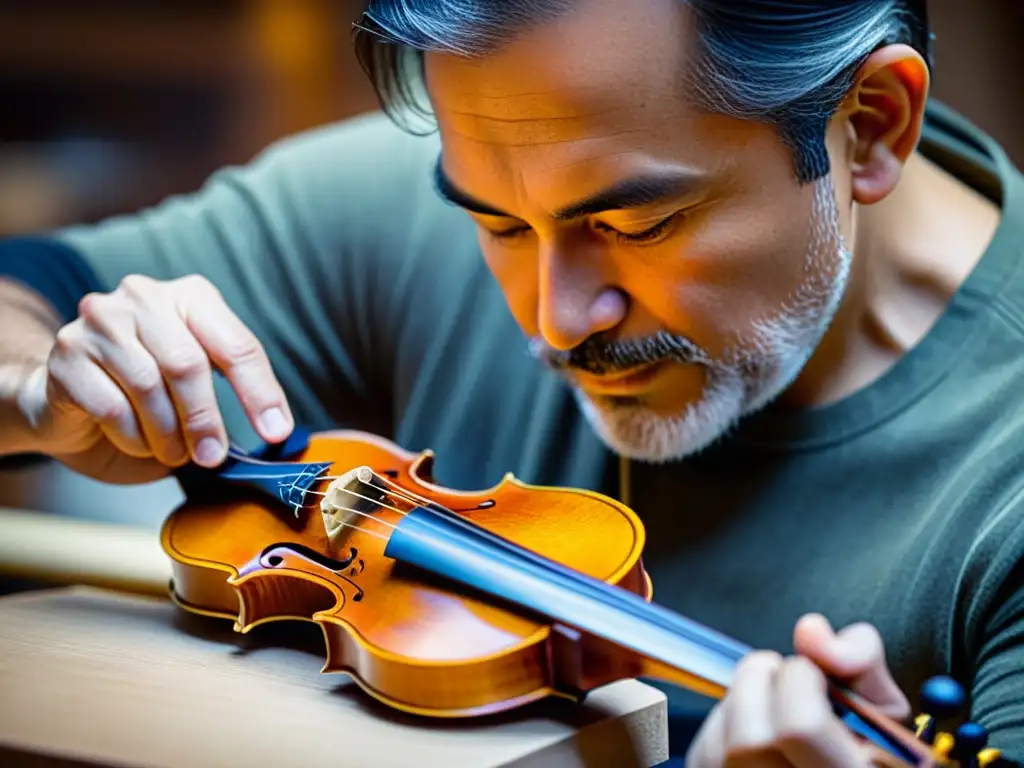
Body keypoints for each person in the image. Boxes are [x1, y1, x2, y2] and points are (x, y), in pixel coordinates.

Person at [1, 0, 1022, 764]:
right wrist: (38, 392)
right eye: (495, 224)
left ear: (871, 126)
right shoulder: (483, 175)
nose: (551, 318)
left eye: (634, 225)